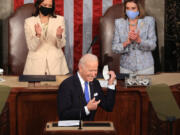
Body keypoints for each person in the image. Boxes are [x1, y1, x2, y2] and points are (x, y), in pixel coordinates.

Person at [57, 54, 116, 121]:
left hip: (90, 129)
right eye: (90, 70)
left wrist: (111, 84)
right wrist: (86, 109)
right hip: (73, 129)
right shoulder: (67, 85)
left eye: (95, 70)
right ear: (80, 68)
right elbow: (63, 115)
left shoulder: (95, 83)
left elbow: (108, 106)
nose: (93, 74)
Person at [23, 0, 69, 75]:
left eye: (50, 6)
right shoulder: (29, 22)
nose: (47, 7)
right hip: (35, 67)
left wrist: (59, 36)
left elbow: (61, 45)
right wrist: (37, 35)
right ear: (39, 5)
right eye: (45, 5)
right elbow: (31, 47)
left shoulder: (59, 20)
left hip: (56, 65)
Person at [112, 0, 157, 75]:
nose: (130, 11)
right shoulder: (119, 23)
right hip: (126, 68)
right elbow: (114, 48)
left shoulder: (148, 21)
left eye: (133, 8)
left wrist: (139, 40)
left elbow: (153, 45)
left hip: (145, 68)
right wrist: (126, 42)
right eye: (127, 8)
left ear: (139, 9)